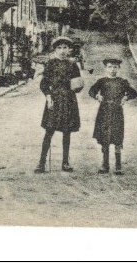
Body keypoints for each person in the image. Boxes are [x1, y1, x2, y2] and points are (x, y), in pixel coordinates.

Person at [35, 36, 82, 173]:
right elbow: (44, 84)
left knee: (67, 132)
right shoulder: (50, 64)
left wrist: (78, 84)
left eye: (65, 48)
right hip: (54, 101)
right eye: (59, 48)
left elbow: (77, 86)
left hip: (68, 100)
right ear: (55, 50)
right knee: (49, 131)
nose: (62, 51)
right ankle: (41, 162)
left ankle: (65, 162)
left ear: (69, 50)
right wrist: (48, 96)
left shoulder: (73, 65)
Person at [88, 57, 137, 174]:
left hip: (117, 112)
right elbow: (91, 91)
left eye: (115, 67)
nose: (112, 69)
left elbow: (133, 93)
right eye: (110, 67)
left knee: (117, 137)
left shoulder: (122, 82)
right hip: (104, 112)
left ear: (119, 68)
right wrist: (97, 96)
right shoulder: (102, 81)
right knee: (105, 137)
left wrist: (126, 97)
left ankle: (118, 165)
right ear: (106, 68)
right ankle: (105, 165)